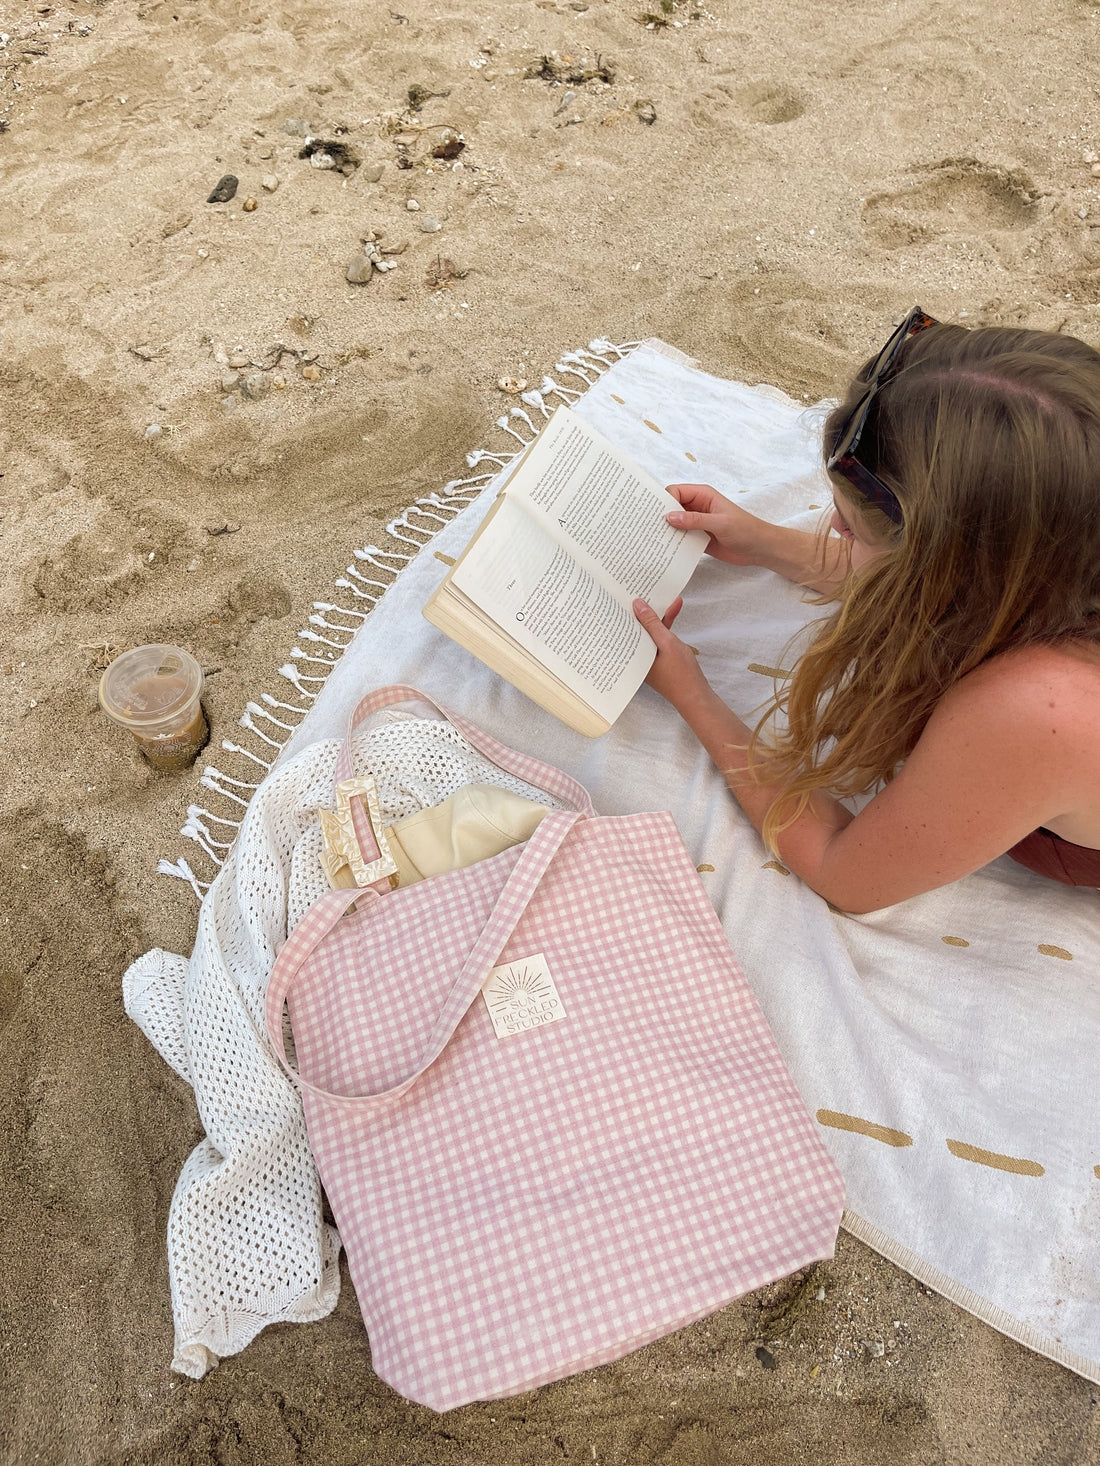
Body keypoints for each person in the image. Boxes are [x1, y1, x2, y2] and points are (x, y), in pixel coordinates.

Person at [633, 308, 1100, 912]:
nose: (830, 528)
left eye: (851, 531)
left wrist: (690, 691)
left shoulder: (1041, 707)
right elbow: (927, 582)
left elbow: (844, 871)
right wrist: (765, 542)